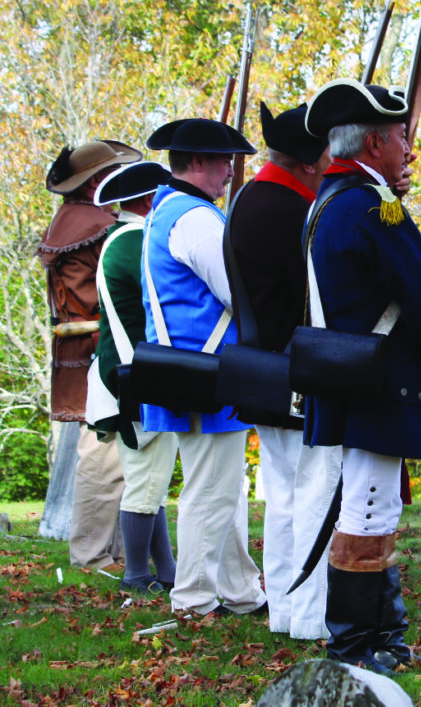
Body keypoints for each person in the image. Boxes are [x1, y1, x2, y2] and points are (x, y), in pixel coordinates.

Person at [301, 78, 421, 673]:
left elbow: (376, 282)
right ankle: (353, 647)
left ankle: (386, 636)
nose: (408, 148)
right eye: (400, 136)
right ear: (372, 143)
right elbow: (417, 298)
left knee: (377, 506)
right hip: (379, 383)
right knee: (368, 510)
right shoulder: (374, 206)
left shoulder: (334, 201)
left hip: (357, 377)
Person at [141, 118, 266, 616]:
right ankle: (192, 600)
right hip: (210, 369)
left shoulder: (167, 210)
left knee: (223, 486)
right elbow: (238, 292)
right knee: (212, 490)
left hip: (195, 368)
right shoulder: (195, 217)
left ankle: (241, 593)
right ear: (196, 161)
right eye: (223, 162)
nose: (231, 172)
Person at [227, 102, 338, 639]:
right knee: (313, 496)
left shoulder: (250, 198)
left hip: (267, 371)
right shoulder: (292, 211)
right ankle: (311, 617)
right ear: (312, 160)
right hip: (299, 372)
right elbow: (334, 285)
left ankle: (288, 613)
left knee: (285, 499)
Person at [39, 139, 141, 572]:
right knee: (103, 451)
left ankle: (111, 553)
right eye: (111, 174)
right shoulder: (97, 223)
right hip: (97, 350)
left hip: (84, 347)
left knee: (113, 451)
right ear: (95, 181)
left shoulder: (74, 218)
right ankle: (92, 555)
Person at [86, 161, 180, 596]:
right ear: (148, 200)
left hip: (129, 370)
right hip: (136, 375)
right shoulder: (135, 241)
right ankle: (136, 577)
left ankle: (166, 572)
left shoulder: (125, 238)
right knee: (145, 481)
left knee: (152, 480)